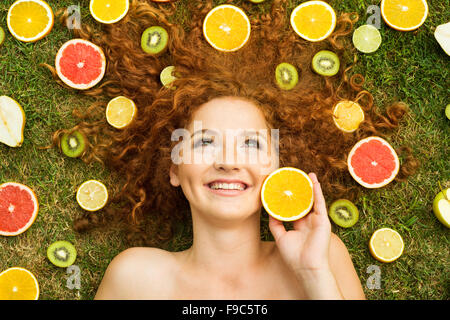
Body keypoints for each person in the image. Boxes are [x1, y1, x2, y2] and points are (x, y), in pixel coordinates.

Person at [46, 0, 417, 299]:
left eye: (251, 144)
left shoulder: (324, 256)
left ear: (277, 167)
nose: (227, 161)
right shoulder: (135, 278)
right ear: (173, 168)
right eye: (205, 141)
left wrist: (313, 275)